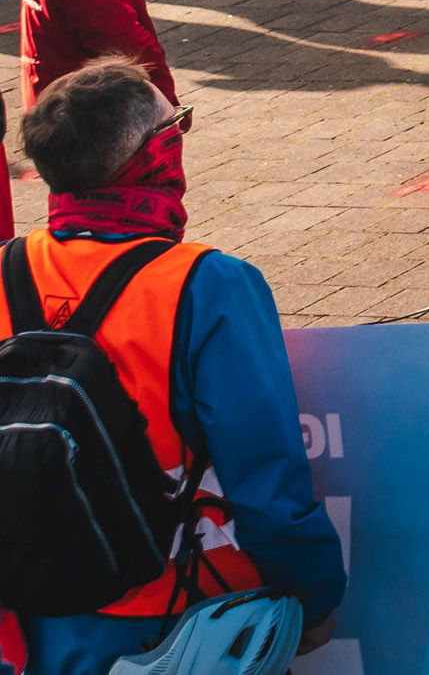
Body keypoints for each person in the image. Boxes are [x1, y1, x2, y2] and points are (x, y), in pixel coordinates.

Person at [6, 58, 347, 674]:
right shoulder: (209, 284)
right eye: (178, 126)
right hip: (183, 612)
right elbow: (265, 474)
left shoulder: (6, 269)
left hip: (38, 609)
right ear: (154, 158)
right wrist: (313, 592)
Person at [16, 0, 185, 232]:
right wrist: (162, 98)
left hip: (58, 106)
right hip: (93, 113)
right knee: (117, 204)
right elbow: (120, 40)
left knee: (74, 206)